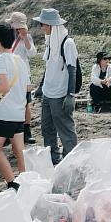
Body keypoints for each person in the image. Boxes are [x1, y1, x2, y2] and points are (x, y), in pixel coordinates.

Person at [0, 23, 31, 187]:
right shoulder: (19, 60)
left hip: (4, 113)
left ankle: (12, 183)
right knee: (19, 150)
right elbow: (25, 87)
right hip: (19, 111)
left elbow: (4, 87)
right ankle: (25, 180)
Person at [34, 8, 79, 165]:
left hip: (60, 94)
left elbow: (72, 69)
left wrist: (70, 95)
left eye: (43, 24)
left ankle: (71, 162)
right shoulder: (50, 41)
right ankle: (54, 160)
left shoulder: (67, 43)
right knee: (47, 128)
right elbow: (49, 65)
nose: (42, 27)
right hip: (48, 93)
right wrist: (41, 86)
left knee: (65, 129)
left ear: (51, 25)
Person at [1, 12, 38, 144]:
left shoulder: (26, 37)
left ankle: (26, 131)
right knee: (7, 101)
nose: (17, 30)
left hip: (23, 75)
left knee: (26, 103)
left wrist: (25, 38)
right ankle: (7, 133)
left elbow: (32, 53)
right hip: (8, 75)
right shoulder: (5, 36)